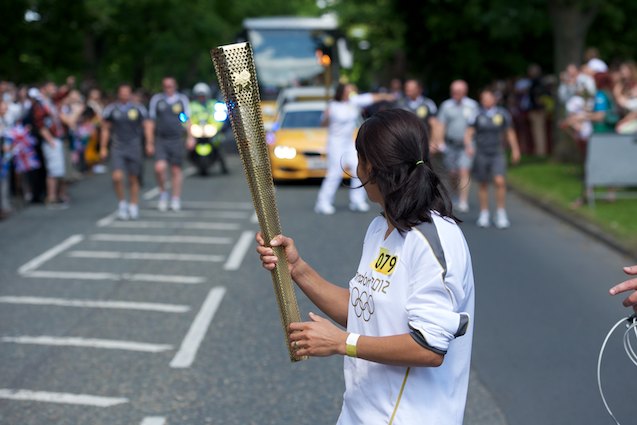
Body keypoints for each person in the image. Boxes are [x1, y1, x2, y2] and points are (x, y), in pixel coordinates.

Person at [257, 109, 474, 424]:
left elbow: (429, 347)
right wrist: (297, 268)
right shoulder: (381, 229)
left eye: (359, 159)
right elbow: (365, 314)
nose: (355, 170)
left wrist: (340, 342)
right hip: (360, 413)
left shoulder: (432, 241)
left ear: (372, 166)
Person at [314, 83, 394, 215]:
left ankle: (357, 200)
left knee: (358, 169)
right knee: (334, 172)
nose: (351, 92)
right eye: (348, 90)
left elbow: (371, 97)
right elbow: (323, 124)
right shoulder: (333, 106)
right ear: (342, 92)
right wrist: (326, 116)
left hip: (349, 142)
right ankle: (323, 202)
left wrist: (386, 96)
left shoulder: (354, 101)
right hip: (335, 142)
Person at [465, 89, 520, 229]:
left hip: (497, 152)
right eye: (484, 99)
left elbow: (509, 132)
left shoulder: (502, 114)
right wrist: (469, 145)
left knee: (499, 180)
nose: (487, 101)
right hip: (481, 152)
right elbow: (469, 132)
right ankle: (484, 213)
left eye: (489, 98)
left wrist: (515, 149)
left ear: (494, 99)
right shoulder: (477, 114)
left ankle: (501, 213)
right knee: (483, 183)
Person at [100, 83, 152, 220]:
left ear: (130, 94)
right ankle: (122, 203)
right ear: (118, 94)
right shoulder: (111, 109)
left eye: (127, 92)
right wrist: (103, 147)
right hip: (118, 147)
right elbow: (105, 129)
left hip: (134, 146)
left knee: (133, 178)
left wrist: (149, 143)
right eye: (122, 92)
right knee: (117, 177)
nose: (124, 95)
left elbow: (147, 125)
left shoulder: (138, 109)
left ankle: (133, 205)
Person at [147, 76, 194, 212]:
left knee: (175, 170)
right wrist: (149, 142)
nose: (168, 88)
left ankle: (175, 198)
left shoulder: (181, 100)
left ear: (175, 86)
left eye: (171, 86)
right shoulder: (157, 100)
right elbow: (151, 121)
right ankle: (163, 194)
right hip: (161, 139)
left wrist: (190, 137)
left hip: (177, 139)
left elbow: (185, 118)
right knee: (159, 168)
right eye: (166, 86)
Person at [438, 80, 479, 213]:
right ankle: (455, 195)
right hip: (450, 144)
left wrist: (471, 143)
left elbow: (475, 126)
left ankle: (463, 200)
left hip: (466, 144)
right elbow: (441, 125)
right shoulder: (446, 106)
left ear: (464, 92)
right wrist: (440, 142)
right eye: (454, 92)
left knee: (464, 170)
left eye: (459, 92)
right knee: (452, 173)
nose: (456, 94)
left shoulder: (472, 105)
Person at [189, 82, 228, 175]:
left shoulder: (213, 105)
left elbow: (220, 117)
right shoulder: (191, 106)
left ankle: (223, 165)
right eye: (199, 96)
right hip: (197, 129)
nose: (201, 97)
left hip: (212, 129)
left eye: (203, 95)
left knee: (219, 144)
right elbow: (186, 118)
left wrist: (217, 126)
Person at [398, 79, 443, 152]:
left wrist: (433, 142)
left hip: (423, 144)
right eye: (407, 87)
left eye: (411, 88)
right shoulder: (400, 103)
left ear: (419, 89)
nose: (408, 89)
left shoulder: (428, 103)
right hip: (404, 144)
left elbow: (434, 124)